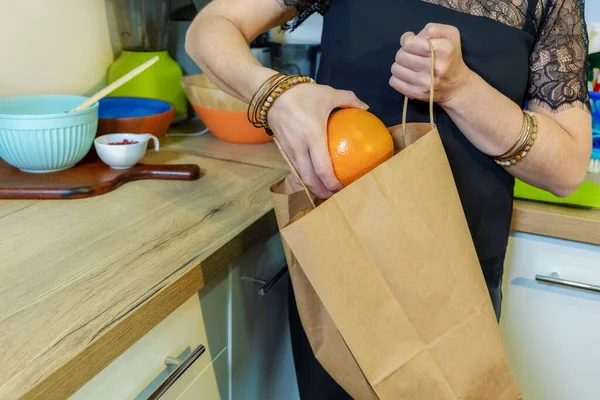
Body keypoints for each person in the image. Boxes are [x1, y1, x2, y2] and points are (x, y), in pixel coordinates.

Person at [186, 0, 591, 398]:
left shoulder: (550, 4)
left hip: (457, 278)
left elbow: (568, 169)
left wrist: (462, 90)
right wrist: (275, 96)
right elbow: (211, 28)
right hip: (337, 265)